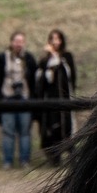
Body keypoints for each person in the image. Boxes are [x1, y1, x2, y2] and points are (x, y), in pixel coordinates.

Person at [0, 30, 36, 169]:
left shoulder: (29, 58)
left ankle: (25, 161)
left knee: (25, 132)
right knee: (8, 132)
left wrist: (33, 98)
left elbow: (34, 80)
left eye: (21, 41)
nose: (18, 44)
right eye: (16, 41)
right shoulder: (2, 57)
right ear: (11, 42)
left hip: (25, 100)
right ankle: (8, 161)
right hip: (7, 99)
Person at [35, 29, 77, 165]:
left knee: (66, 127)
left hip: (64, 99)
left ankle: (71, 155)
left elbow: (70, 76)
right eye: (52, 39)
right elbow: (40, 80)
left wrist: (55, 57)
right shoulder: (44, 61)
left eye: (58, 39)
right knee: (51, 128)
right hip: (49, 99)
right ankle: (54, 157)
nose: (55, 42)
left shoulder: (66, 57)